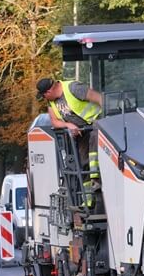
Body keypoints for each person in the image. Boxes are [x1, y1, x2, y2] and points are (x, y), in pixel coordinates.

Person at [37, 76, 104, 205]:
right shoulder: (51, 102)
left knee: (94, 142)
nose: (44, 99)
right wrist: (68, 125)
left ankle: (96, 176)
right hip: (82, 132)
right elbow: (54, 121)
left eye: (44, 96)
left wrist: (103, 121)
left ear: (48, 92)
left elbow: (100, 99)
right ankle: (88, 199)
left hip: (96, 125)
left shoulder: (73, 88)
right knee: (82, 162)